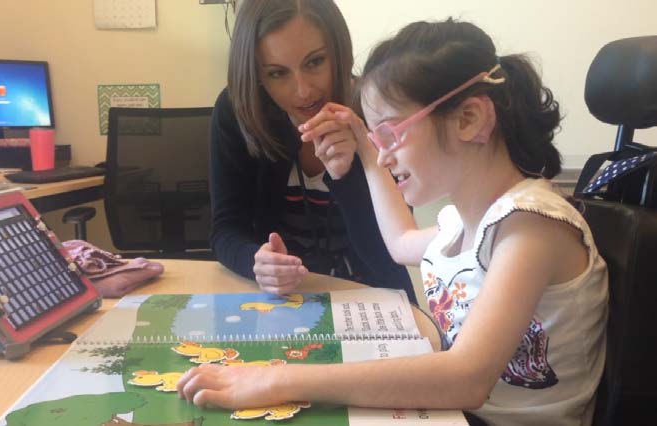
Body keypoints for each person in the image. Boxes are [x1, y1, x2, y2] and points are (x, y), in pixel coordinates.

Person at [178, 19, 609, 426]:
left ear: (469, 119)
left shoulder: (529, 227)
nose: (384, 156)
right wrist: (363, 149)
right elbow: (401, 241)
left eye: (389, 133)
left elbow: (466, 379)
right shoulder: (463, 223)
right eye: (376, 138)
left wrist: (273, 380)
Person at [209, 0, 413, 299]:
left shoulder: (374, 109)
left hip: (371, 296)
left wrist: (349, 173)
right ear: (256, 75)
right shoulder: (237, 112)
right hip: (280, 300)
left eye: (315, 62)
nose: (303, 91)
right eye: (278, 73)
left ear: (338, 52)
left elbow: (395, 249)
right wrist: (255, 261)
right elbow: (225, 229)